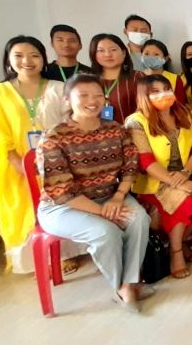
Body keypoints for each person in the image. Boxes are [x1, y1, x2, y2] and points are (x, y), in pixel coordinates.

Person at [36, 73, 152, 312]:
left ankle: (129, 283)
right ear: (67, 100)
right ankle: (122, 287)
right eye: (83, 95)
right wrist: (102, 212)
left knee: (140, 219)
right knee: (105, 231)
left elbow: (130, 167)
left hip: (110, 197)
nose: (92, 101)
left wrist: (118, 197)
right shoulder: (54, 137)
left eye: (98, 95)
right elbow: (61, 191)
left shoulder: (115, 130)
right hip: (63, 207)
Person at [0, 35, 81, 273]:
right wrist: (23, 168)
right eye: (19, 56)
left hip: (59, 163)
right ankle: (37, 259)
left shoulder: (58, 87)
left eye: (34, 55)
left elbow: (71, 123)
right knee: (27, 208)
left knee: (63, 205)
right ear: (8, 60)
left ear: (43, 59)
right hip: (17, 165)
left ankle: (65, 254)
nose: (27, 61)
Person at [125, 75, 192, 279]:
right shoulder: (136, 122)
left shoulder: (185, 113)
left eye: (166, 88)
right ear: (144, 96)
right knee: (185, 200)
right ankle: (176, 253)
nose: (163, 94)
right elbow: (145, 161)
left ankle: (179, 243)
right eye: (155, 91)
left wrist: (185, 174)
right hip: (154, 181)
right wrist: (175, 182)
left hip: (185, 175)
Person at [89, 33, 144, 124]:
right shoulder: (87, 80)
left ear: (124, 53)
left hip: (131, 131)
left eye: (113, 50)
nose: (107, 54)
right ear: (93, 54)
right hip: (95, 132)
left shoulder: (137, 77)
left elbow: (146, 109)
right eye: (101, 50)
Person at [139, 39, 186, 104]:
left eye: (156, 54)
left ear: (165, 58)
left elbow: (181, 104)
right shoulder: (137, 77)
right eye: (146, 54)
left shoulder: (175, 79)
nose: (150, 57)